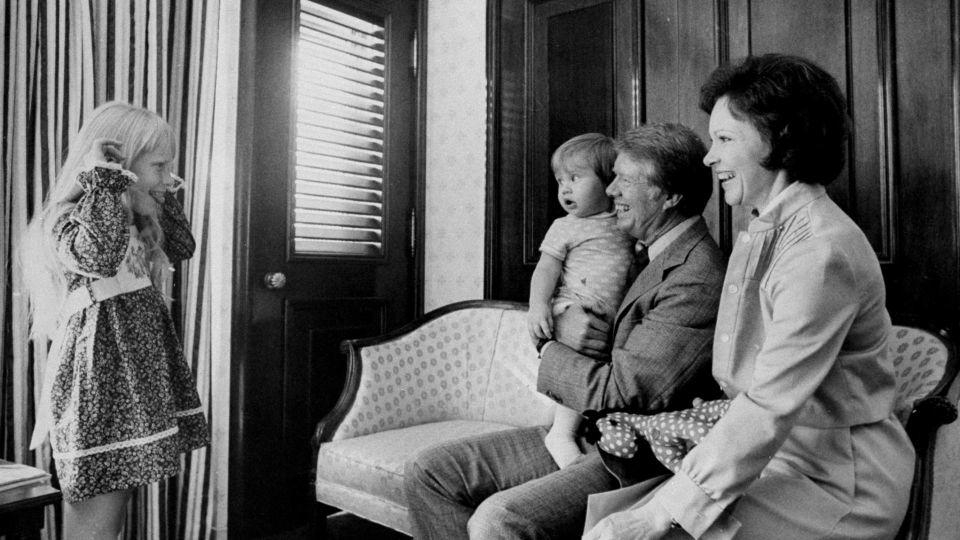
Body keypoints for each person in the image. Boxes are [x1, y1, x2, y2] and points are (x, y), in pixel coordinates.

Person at [583, 54, 915, 540]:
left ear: (779, 139)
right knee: (607, 521)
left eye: (724, 139)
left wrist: (662, 513)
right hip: (780, 458)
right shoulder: (769, 229)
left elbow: (769, 402)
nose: (707, 157)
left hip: (841, 483)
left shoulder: (820, 251)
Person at [403, 122, 725, 540]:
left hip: (630, 453)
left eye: (625, 180)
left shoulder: (697, 275)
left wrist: (550, 340)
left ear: (670, 195)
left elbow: (624, 392)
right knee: (429, 472)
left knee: (499, 519)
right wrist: (561, 315)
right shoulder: (642, 247)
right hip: (590, 429)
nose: (610, 192)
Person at [20, 101, 209, 539]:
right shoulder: (70, 222)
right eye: (160, 166)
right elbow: (99, 259)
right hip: (99, 392)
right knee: (96, 523)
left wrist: (161, 193)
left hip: (132, 384)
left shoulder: (132, 223)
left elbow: (183, 245)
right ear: (116, 166)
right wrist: (105, 179)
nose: (167, 178)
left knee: (114, 510)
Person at [527, 133, 635, 469]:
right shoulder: (565, 226)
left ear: (609, 181)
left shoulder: (624, 222)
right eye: (560, 181)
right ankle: (561, 432)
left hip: (607, 317)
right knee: (581, 361)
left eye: (575, 178)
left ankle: (593, 430)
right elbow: (546, 269)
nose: (565, 189)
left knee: (602, 370)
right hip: (573, 306)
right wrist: (538, 306)